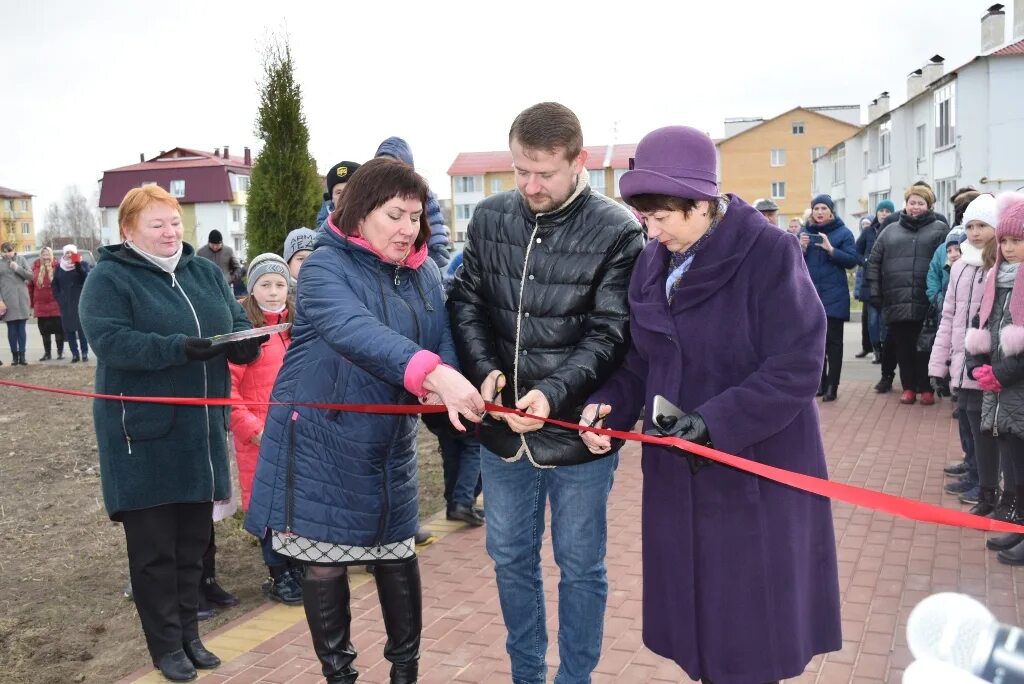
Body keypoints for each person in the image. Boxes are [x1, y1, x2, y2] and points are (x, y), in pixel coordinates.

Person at [579, 125, 841, 684]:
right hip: (680, 474)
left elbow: (797, 364)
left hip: (755, 471)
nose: (650, 229)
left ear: (701, 202)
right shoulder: (652, 262)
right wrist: (610, 405)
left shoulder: (768, 252)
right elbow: (641, 361)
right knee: (701, 629)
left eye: (661, 215)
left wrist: (715, 423)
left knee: (750, 634)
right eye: (643, 216)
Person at [244, 157, 483, 684]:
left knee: (396, 556)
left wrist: (451, 378)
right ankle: (340, 676)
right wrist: (432, 375)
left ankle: (404, 674)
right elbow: (354, 331)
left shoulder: (421, 271)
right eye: (395, 215)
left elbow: (438, 333)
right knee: (325, 562)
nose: (407, 229)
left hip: (385, 444)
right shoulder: (326, 267)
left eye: (416, 217)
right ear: (360, 212)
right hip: (320, 439)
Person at [447, 101, 644, 683]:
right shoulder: (488, 219)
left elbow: (612, 332)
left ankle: (575, 678)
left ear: (578, 161)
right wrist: (485, 373)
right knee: (510, 560)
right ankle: (526, 675)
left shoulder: (617, 230)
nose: (530, 185)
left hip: (575, 436)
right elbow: (466, 302)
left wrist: (553, 395)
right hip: (501, 432)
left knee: (580, 566)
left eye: (545, 173)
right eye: (519, 171)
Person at [79, 185, 262, 682]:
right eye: (156, 225)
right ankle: (165, 647)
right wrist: (179, 348)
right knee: (155, 551)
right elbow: (113, 342)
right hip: (143, 438)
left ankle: (189, 636)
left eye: (175, 223)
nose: (170, 233)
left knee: (191, 547)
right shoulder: (109, 278)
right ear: (129, 231)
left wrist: (245, 345)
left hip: (199, 435)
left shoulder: (204, 271)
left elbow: (226, 326)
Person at [228, 254, 304, 605]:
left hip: (300, 435)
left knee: (298, 505)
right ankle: (279, 574)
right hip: (260, 438)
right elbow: (227, 391)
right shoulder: (245, 334)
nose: (273, 292)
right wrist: (250, 428)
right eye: (264, 284)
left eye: (279, 284)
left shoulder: (298, 326)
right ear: (251, 287)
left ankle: (299, 567)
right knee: (270, 509)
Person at [965, 193, 1024, 565]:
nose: (1009, 247)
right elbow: (980, 324)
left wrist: (1002, 372)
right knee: (1014, 464)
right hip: (1002, 392)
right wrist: (977, 363)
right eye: (1004, 240)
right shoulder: (995, 279)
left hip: (1015, 386)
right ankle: (1018, 529)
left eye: (1017, 240)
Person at [931, 195, 998, 516]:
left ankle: (985, 480)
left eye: (982, 225)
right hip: (960, 361)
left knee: (983, 425)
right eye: (970, 226)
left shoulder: (999, 267)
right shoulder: (959, 267)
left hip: (985, 363)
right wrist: (938, 363)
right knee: (967, 420)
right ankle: (972, 470)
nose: (974, 232)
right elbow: (948, 317)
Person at [866, 184, 948, 404]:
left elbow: (948, 263)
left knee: (926, 347)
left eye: (921, 203)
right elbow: (873, 262)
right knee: (903, 347)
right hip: (896, 300)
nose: (916, 207)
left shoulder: (940, 230)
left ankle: (927, 387)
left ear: (929, 205)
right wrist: (875, 293)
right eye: (912, 202)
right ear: (906, 204)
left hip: (927, 301)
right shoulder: (889, 230)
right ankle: (909, 387)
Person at [800, 195, 859, 402]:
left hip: (834, 297)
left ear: (831, 211)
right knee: (814, 345)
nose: (819, 212)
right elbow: (792, 262)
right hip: (810, 296)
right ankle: (820, 383)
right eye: (816, 208)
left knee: (833, 343)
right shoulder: (804, 233)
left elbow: (853, 260)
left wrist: (831, 250)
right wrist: (801, 248)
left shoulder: (843, 233)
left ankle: (833, 385)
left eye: (824, 208)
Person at [375, 137, 451, 270]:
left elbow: (434, 227)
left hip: (416, 264)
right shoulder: (372, 193)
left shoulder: (422, 194)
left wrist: (433, 257)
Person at [857, 200, 895, 364]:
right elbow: (855, 251)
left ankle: (887, 351)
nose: (884, 214)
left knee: (886, 320)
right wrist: (865, 261)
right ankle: (876, 350)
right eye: (881, 210)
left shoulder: (894, 230)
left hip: (889, 282)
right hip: (870, 282)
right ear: (877, 213)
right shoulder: (868, 232)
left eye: (887, 211)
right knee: (872, 320)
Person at [51, 244, 91, 363]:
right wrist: (58, 297)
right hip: (66, 302)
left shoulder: (83, 264)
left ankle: (84, 352)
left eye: (71, 253)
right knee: (69, 329)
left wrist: (78, 265)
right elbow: (55, 284)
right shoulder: (59, 267)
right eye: (67, 253)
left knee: (81, 329)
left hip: (79, 300)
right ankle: (75, 353)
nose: (69, 255)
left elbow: (85, 278)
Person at [29, 246, 65, 361]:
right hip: (40, 304)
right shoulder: (35, 267)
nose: (45, 257)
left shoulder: (58, 266)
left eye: (47, 254)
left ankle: (60, 352)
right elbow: (30, 286)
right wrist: (31, 303)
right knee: (45, 331)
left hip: (55, 303)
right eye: (43, 254)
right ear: (40, 256)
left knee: (58, 329)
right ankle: (47, 353)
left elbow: (62, 285)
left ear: (51, 255)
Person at [0, 242, 31, 366]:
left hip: (21, 299)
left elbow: (30, 276)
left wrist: (17, 268)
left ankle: (22, 356)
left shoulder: (21, 260)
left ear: (14, 250)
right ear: (2, 252)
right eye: (5, 250)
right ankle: (15, 356)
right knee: (12, 330)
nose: (8, 252)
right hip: (7, 300)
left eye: (10, 250)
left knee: (21, 329)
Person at [316, 160, 362, 228]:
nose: (345, 197)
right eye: (339, 192)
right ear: (332, 199)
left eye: (351, 191)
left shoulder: (378, 231)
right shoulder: (320, 236)